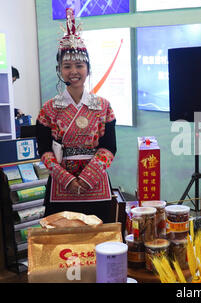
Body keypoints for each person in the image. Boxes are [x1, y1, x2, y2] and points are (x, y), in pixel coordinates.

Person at [36, 8, 117, 223]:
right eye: (67, 66)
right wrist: (68, 180)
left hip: (95, 182)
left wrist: (86, 179)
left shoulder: (104, 106)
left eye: (79, 65)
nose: (74, 71)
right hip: (61, 183)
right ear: (59, 70)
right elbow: (44, 150)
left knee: (98, 240)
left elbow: (109, 148)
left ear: (88, 69)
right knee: (61, 241)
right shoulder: (48, 109)